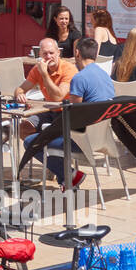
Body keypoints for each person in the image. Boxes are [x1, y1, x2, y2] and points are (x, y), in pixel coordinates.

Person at [24, 37, 116, 189]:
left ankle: (71, 175)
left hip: (83, 141)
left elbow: (72, 116)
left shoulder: (79, 78)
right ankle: (68, 179)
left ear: (77, 53)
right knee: (45, 135)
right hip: (102, 137)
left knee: (31, 141)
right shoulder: (105, 76)